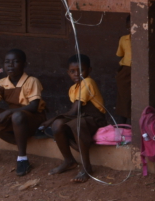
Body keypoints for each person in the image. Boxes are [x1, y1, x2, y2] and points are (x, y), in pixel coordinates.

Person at [47, 54, 109, 183]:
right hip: (81, 118)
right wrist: (54, 121)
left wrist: (49, 120)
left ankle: (87, 167)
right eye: (72, 71)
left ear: (89, 70)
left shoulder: (88, 82)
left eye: (81, 70)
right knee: (58, 125)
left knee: (76, 124)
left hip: (95, 120)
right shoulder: (72, 89)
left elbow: (75, 111)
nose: (76, 74)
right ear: (68, 72)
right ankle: (69, 161)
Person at [115, 15, 132, 123]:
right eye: (131, 25)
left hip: (140, 72)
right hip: (125, 72)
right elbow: (121, 54)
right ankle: (122, 127)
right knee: (123, 98)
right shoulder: (123, 39)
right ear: (127, 26)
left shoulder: (145, 39)